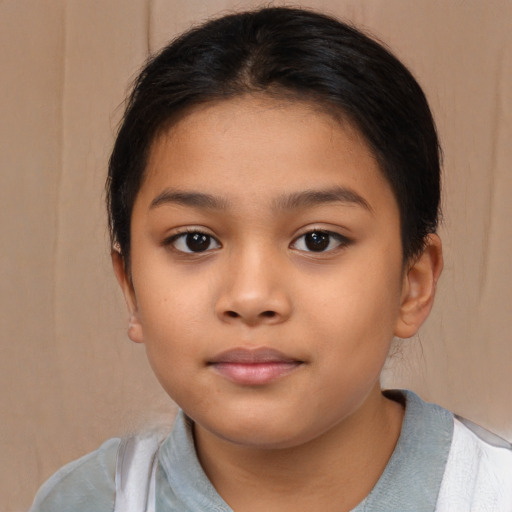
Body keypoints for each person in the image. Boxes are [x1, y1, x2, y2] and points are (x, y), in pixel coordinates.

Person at [30, 6, 512, 512]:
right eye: (195, 241)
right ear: (130, 287)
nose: (252, 297)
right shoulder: (85, 501)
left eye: (318, 240)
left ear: (412, 285)